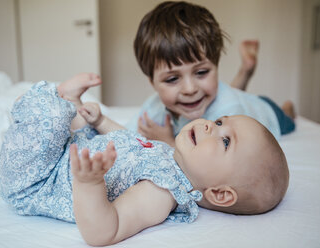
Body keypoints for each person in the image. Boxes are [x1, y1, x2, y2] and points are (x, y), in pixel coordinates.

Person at [0, 73, 289, 246]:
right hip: (69, 153)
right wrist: (101, 121)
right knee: (77, 121)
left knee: (47, 119)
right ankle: (70, 105)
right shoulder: (169, 155)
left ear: (221, 193)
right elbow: (130, 140)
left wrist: (89, 183)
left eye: (225, 141)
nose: (211, 126)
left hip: (37, 180)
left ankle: (60, 100)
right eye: (221, 121)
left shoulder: (161, 193)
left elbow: (104, 231)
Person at [126, 1, 295, 147]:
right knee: (221, 94)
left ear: (216, 65)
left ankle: (286, 108)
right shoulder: (154, 108)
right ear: (152, 82)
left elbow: (217, 166)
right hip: (234, 99)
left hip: (265, 110)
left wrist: (169, 143)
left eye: (201, 72)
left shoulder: (228, 111)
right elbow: (123, 135)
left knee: (287, 120)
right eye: (172, 79)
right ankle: (245, 71)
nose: (190, 89)